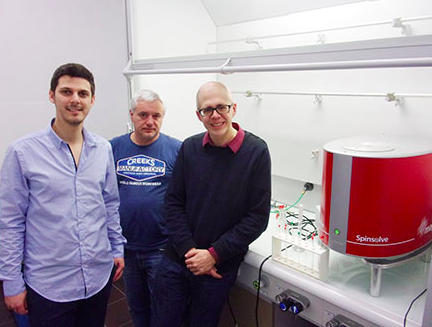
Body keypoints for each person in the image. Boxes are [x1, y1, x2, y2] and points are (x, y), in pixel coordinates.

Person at [0, 63, 126, 327]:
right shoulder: (22, 153)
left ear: (92, 100)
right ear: (51, 95)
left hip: (97, 277)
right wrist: (11, 281)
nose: (74, 100)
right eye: (66, 92)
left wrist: (117, 247)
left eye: (82, 94)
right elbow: (10, 222)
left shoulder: (103, 149)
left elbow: (110, 205)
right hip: (49, 286)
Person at [151, 81, 272, 327]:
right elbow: (173, 203)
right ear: (199, 115)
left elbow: (257, 218)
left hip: (218, 266)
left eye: (221, 107)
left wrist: (213, 255)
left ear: (233, 109)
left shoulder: (256, 152)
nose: (215, 115)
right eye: (207, 110)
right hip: (178, 259)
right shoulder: (190, 148)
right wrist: (190, 252)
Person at [110, 90, 181, 327]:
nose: (150, 122)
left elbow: (187, 196)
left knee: (164, 312)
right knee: (137, 308)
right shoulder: (112, 148)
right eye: (143, 115)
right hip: (126, 248)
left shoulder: (176, 150)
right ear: (132, 115)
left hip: (161, 248)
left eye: (156, 116)